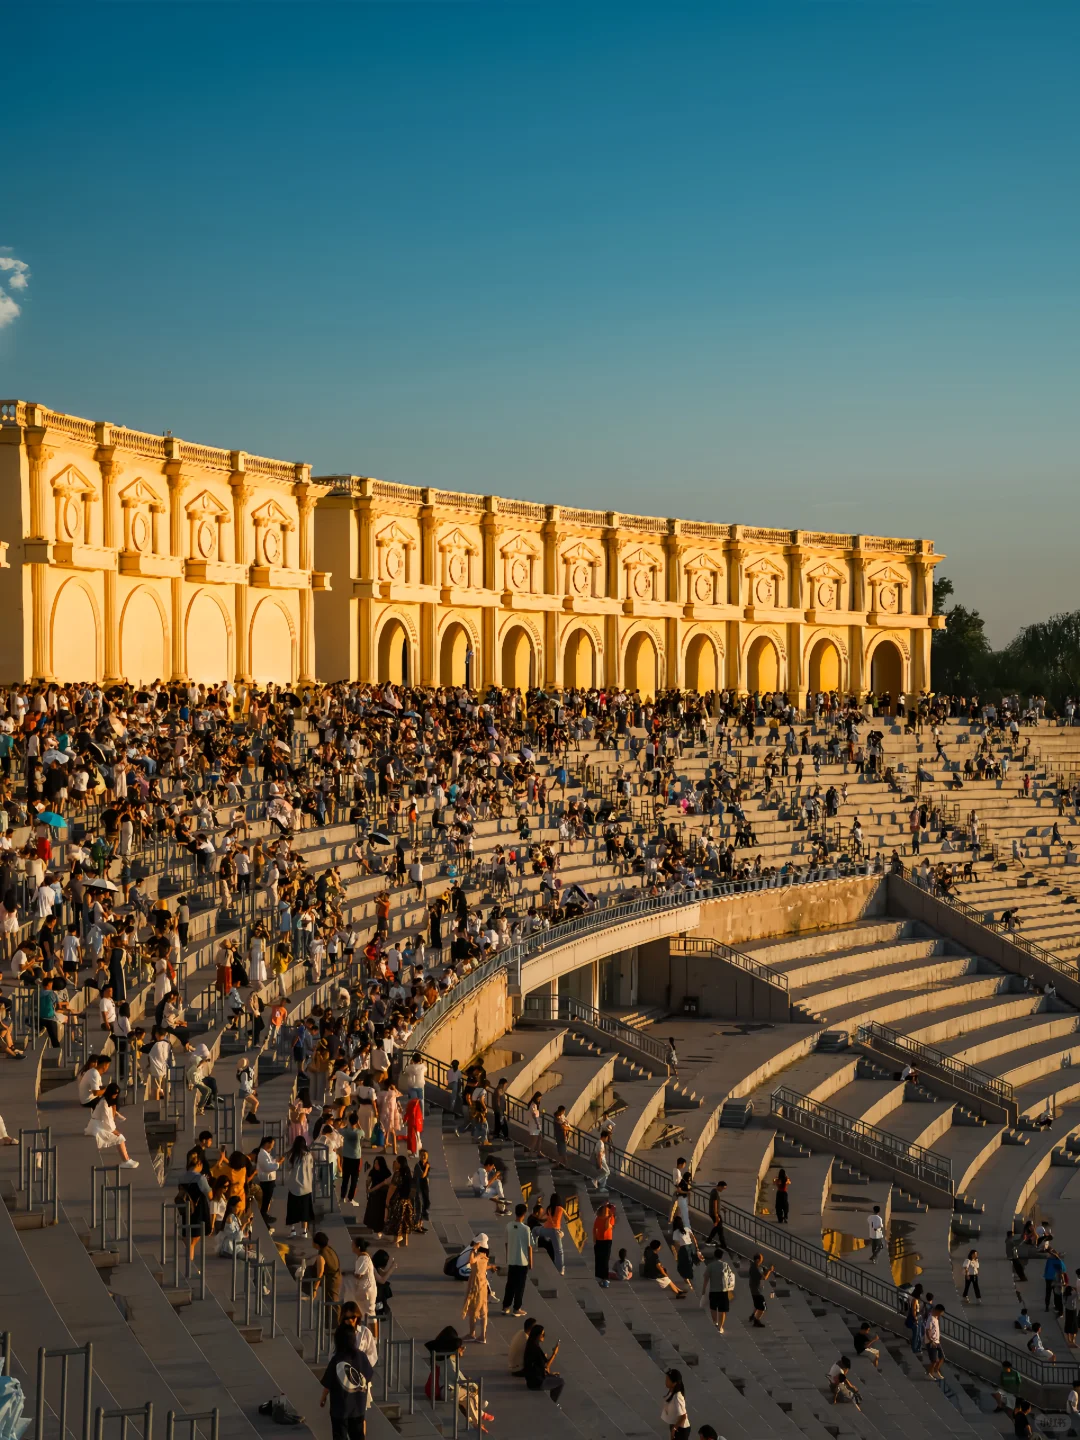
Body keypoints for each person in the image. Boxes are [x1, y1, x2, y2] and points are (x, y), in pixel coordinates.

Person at [319, 1318, 375, 1440]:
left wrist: (323, 1398)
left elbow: (328, 1383)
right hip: (358, 1406)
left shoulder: (337, 1359)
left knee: (340, 1435)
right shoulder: (361, 1356)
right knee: (358, 1435)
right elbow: (368, 1376)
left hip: (340, 1408)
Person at [84, 1082, 139, 1168]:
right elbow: (107, 1120)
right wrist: (114, 1131)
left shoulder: (107, 1101)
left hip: (100, 1125)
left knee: (119, 1137)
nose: (116, 1096)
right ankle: (126, 1160)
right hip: (97, 1127)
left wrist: (116, 1111)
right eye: (114, 1094)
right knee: (119, 1137)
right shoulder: (103, 1103)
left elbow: (111, 1116)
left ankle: (127, 1159)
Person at [462, 1235, 494, 1343]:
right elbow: (482, 1267)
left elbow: (471, 1261)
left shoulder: (479, 1254)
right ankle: (483, 1335)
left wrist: (473, 1249)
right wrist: (492, 1267)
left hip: (477, 1284)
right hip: (483, 1284)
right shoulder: (484, 1255)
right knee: (483, 1309)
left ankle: (472, 1334)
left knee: (474, 1308)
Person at [503, 1203, 533, 1316]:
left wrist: (508, 1256)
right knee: (520, 1286)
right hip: (522, 1261)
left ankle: (506, 1306)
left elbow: (506, 1243)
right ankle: (517, 1308)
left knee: (510, 1284)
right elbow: (529, 1246)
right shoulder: (526, 1229)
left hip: (511, 1259)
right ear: (524, 1214)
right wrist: (531, 1262)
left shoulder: (509, 1226)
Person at [522, 1323, 563, 1406]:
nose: (544, 1336)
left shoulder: (531, 1344)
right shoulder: (535, 1349)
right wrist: (554, 1353)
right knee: (561, 1382)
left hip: (531, 1380)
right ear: (538, 1335)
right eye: (542, 1334)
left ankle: (552, 1402)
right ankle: (553, 1404)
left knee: (556, 1377)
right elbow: (546, 1365)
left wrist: (549, 1374)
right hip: (536, 1382)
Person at [284, 1136, 315, 1239]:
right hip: (306, 1186)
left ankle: (292, 1230)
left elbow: (288, 1167)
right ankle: (304, 1231)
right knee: (305, 1210)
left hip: (294, 1186)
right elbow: (311, 1168)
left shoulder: (292, 1155)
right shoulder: (309, 1155)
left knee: (292, 1209)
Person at [701, 1248, 735, 1333]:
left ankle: (715, 1322)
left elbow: (706, 1278)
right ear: (722, 1256)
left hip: (713, 1291)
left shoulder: (710, 1266)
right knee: (722, 1310)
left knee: (713, 1308)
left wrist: (704, 1289)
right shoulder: (725, 1265)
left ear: (714, 1256)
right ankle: (720, 1327)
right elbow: (730, 1277)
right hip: (723, 1291)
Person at [363, 1155, 392, 1236]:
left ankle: (379, 1229)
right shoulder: (373, 1171)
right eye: (375, 1163)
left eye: (377, 1163)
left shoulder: (386, 1172)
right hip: (374, 1194)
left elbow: (382, 1184)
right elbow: (369, 1181)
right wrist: (367, 1185)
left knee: (380, 1212)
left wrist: (371, 1190)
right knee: (373, 1212)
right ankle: (373, 1227)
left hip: (382, 1194)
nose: (375, 1165)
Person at [660, 1369, 689, 1440]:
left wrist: (674, 1429)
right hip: (675, 1425)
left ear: (674, 1383)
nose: (666, 1381)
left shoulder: (677, 1397)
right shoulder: (671, 1393)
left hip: (681, 1428)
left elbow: (683, 1416)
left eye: (668, 1380)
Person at [593, 1200, 615, 1289]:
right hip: (599, 1240)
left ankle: (605, 1279)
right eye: (604, 1209)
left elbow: (607, 1227)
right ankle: (598, 1277)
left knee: (605, 1260)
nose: (606, 1211)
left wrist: (609, 1217)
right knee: (598, 1259)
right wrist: (594, 1239)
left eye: (607, 1209)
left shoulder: (611, 1218)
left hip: (607, 1241)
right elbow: (594, 1229)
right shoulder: (598, 1219)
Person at [748, 1253, 773, 1327]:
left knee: (757, 1304)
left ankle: (753, 1316)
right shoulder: (754, 1269)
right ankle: (756, 1320)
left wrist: (767, 1270)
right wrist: (769, 1271)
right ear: (757, 1260)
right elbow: (763, 1278)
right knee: (762, 1307)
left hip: (757, 1289)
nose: (762, 1261)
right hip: (756, 1291)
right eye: (761, 1259)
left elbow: (762, 1275)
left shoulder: (757, 1267)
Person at [925, 1303, 946, 1380]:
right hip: (931, 1342)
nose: (942, 1314)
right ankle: (929, 1374)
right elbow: (927, 1331)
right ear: (938, 1311)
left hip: (937, 1341)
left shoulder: (936, 1317)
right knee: (933, 1360)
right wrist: (931, 1341)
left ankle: (936, 1371)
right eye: (941, 1312)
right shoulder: (930, 1319)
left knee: (942, 1357)